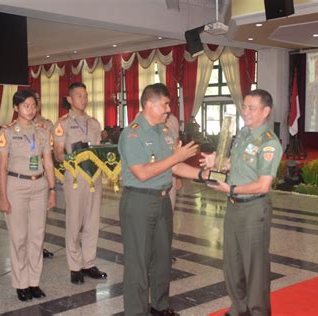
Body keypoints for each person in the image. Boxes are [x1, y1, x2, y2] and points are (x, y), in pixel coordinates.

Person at [118, 83, 208, 316]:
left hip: (162, 200)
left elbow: (175, 165)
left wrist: (201, 174)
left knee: (162, 258)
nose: (169, 109)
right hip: (139, 201)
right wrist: (176, 157)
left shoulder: (165, 132)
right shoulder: (132, 134)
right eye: (165, 104)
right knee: (138, 263)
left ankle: (160, 306)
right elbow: (143, 172)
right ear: (150, 104)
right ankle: (136, 312)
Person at [201, 89, 282, 316]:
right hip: (234, 207)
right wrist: (218, 162)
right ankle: (239, 308)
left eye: (251, 108)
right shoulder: (244, 134)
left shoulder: (269, 143)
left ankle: (257, 312)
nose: (245, 111)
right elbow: (236, 164)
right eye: (244, 106)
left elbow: (263, 184)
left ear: (266, 111)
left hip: (254, 209)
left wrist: (232, 188)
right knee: (232, 263)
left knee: (255, 268)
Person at [0, 89, 56, 301]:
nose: (30, 110)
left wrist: (52, 189)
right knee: (19, 237)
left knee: (37, 237)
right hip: (16, 186)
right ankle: (21, 283)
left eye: (33, 106)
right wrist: (3, 196)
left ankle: (33, 282)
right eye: (25, 106)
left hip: (39, 185)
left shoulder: (43, 130)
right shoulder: (7, 132)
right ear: (16, 108)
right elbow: (1, 167)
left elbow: (48, 161)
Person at [53, 82, 107, 284]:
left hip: (94, 178)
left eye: (85, 95)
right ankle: (75, 266)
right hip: (75, 178)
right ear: (69, 99)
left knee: (93, 221)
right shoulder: (63, 124)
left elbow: (99, 150)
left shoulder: (94, 123)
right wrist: (70, 157)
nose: (83, 99)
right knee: (74, 222)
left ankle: (89, 263)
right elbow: (58, 154)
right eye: (78, 95)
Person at [33, 92, 54, 259]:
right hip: (24, 174)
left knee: (41, 215)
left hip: (42, 172)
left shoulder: (47, 124)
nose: (35, 104)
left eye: (38, 100)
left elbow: (50, 152)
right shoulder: (15, 126)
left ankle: (40, 246)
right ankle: (29, 247)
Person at [165, 113, 183, 209]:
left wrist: (178, 176)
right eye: (165, 104)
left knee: (170, 206)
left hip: (171, 170)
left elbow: (176, 150)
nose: (168, 109)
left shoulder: (172, 120)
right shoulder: (140, 119)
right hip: (152, 175)